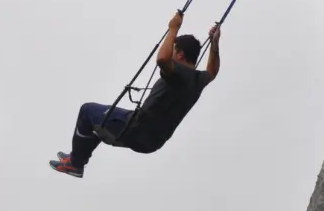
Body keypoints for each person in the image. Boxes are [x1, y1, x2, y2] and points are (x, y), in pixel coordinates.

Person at [49, 10, 219, 178]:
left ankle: (75, 164)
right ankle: (79, 156)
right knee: (97, 122)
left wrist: (173, 28)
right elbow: (212, 70)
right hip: (152, 139)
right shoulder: (199, 80)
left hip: (137, 129)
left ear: (180, 54)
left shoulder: (179, 74)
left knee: (87, 111)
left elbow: (162, 59)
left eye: (173, 49)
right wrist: (214, 43)